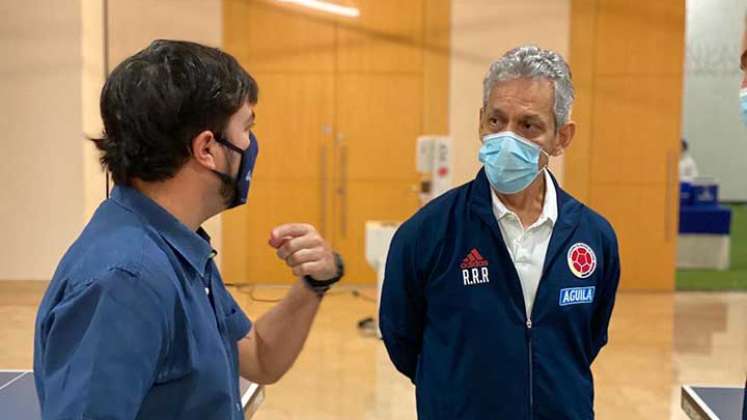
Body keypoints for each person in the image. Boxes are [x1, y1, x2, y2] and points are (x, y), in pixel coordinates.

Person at [33, 40, 344, 420]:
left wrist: (314, 283)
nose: (251, 145)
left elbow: (260, 357)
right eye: (246, 128)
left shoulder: (177, 245)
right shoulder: (126, 280)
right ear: (207, 149)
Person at [380, 45, 621, 419]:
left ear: (562, 138)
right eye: (496, 121)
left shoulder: (594, 237)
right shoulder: (426, 234)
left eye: (529, 125)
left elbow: (587, 339)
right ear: (480, 121)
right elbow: (402, 339)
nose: (507, 137)